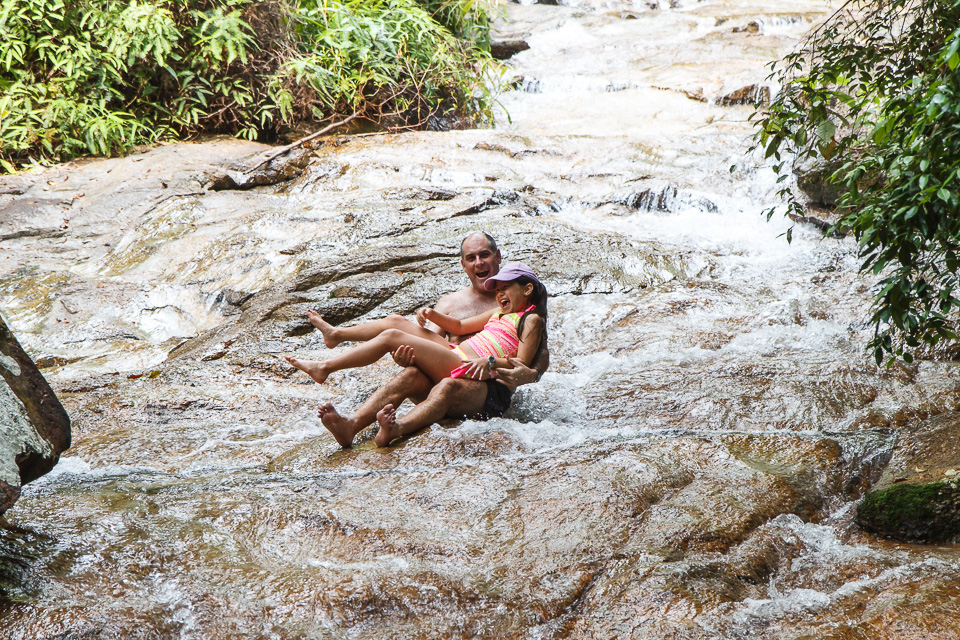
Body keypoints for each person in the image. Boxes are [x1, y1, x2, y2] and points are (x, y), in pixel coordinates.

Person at [292, 232, 548, 447]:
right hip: (454, 359)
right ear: (463, 264)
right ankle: (350, 419)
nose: (479, 263)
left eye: (485, 255)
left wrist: (520, 370)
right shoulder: (461, 305)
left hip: (480, 384)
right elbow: (445, 335)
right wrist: (424, 328)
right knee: (401, 344)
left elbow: (534, 359)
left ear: (498, 256)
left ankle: (327, 368)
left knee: (406, 349)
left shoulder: (527, 316)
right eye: (471, 258)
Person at [285, 261, 547, 395]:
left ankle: (325, 367)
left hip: (466, 364)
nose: (499, 294)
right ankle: (336, 334)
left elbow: (522, 364)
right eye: (497, 290)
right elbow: (458, 326)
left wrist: (489, 361)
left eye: (505, 288)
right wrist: (433, 314)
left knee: (391, 336)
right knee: (395, 321)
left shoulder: (531, 320)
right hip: (455, 351)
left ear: (527, 290)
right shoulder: (499, 312)